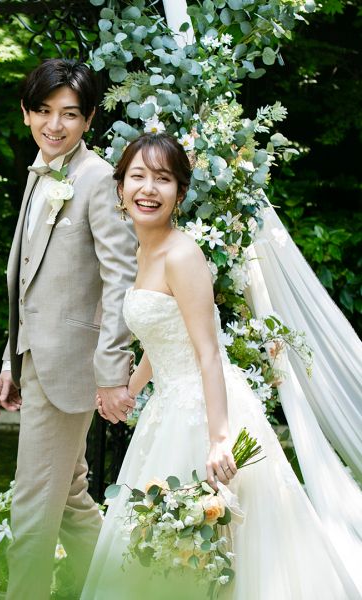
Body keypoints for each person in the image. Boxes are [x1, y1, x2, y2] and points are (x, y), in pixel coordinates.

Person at [81, 133, 361, 599]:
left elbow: (207, 352)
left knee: (211, 545)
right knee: (161, 545)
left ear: (179, 193)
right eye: (138, 177)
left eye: (162, 179)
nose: (148, 189)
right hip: (167, 407)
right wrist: (131, 387)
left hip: (204, 410)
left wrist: (217, 439)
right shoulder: (141, 251)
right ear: (121, 187)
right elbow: (162, 337)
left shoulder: (182, 254)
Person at [0, 58, 138, 600]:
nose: (55, 125)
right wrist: (11, 360)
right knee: (72, 498)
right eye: (45, 111)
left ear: (89, 118)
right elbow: (30, 281)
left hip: (72, 366)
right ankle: (126, 588)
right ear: (26, 113)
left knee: (32, 508)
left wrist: (111, 372)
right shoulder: (41, 172)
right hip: (35, 359)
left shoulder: (97, 179)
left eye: (70, 114)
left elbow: (122, 278)